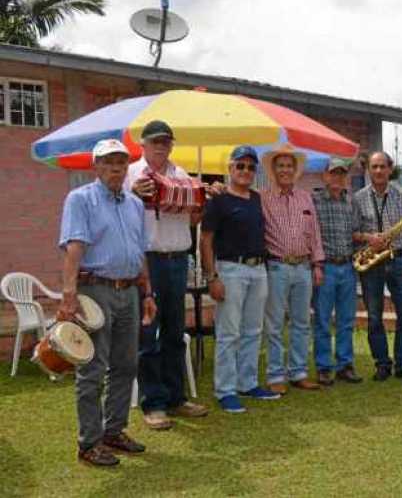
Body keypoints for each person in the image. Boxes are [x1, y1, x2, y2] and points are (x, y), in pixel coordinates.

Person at [58, 139, 156, 466]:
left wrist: (148, 292)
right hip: (95, 289)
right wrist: (69, 295)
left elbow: (140, 251)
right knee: (93, 368)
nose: (116, 168)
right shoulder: (80, 199)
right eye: (109, 162)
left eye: (121, 162)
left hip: (129, 290)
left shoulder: (135, 204)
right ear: (96, 166)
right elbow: (74, 247)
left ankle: (114, 431)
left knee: (126, 365)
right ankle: (89, 443)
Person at [125, 120, 208, 430]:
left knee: (174, 331)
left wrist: (203, 202)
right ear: (143, 145)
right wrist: (133, 194)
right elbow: (117, 209)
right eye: (155, 141)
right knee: (149, 334)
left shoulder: (182, 175)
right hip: (148, 260)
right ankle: (153, 403)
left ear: (172, 145)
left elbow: (193, 220)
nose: (161, 146)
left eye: (166, 142)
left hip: (178, 258)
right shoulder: (131, 174)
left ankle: (176, 398)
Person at [200, 146, 278, 414]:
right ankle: (225, 390)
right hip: (230, 269)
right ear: (230, 169)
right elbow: (206, 240)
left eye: (250, 167)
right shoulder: (218, 200)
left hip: (258, 270)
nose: (245, 171)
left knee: (253, 330)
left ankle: (248, 383)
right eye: (240, 166)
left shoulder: (257, 199)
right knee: (229, 332)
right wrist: (212, 277)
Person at [261, 143, 325, 393]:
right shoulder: (263, 198)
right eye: (281, 166)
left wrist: (317, 264)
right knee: (275, 324)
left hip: (303, 268)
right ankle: (276, 375)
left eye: (289, 166)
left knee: (302, 322)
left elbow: (315, 232)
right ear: (273, 170)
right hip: (277, 266)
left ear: (295, 170)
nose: (285, 170)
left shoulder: (305, 197)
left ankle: (298, 372)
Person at [353, 151, 402, 382]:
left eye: (383, 166)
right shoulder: (358, 198)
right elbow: (353, 232)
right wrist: (369, 238)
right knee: (374, 316)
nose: (379, 171)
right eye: (374, 167)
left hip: (399, 259)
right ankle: (382, 363)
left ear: (390, 169)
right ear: (368, 170)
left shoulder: (401, 194)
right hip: (372, 261)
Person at [311, 158, 363, 386]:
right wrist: (316, 265)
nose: (337, 177)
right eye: (333, 173)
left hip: (348, 267)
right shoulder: (314, 201)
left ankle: (345, 365)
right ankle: (324, 367)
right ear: (325, 175)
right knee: (323, 320)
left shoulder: (351, 202)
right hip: (326, 268)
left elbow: (355, 233)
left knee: (346, 320)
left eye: (341, 174)